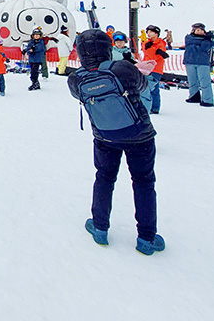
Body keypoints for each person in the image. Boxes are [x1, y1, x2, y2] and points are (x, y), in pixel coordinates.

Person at [68, 29, 163, 256]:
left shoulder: (76, 78)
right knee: (143, 182)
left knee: (104, 178)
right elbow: (142, 86)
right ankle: (146, 238)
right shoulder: (121, 68)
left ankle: (100, 227)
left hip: (104, 135)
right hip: (139, 133)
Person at [183, 23, 214, 107]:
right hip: (190, 61)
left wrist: (208, 41)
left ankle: (207, 100)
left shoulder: (207, 41)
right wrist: (210, 41)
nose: (199, 32)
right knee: (192, 81)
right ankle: (194, 96)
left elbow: (204, 48)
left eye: (201, 30)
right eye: (197, 30)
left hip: (202, 62)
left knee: (205, 82)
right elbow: (194, 41)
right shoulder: (188, 38)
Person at [141, 25, 169, 114]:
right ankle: (147, 105)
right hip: (146, 68)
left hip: (156, 69)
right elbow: (145, 50)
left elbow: (154, 57)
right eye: (148, 32)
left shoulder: (161, 43)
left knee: (153, 88)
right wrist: (152, 48)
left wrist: (151, 49)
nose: (148, 34)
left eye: (151, 32)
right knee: (145, 88)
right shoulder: (147, 43)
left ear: (156, 33)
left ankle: (155, 107)